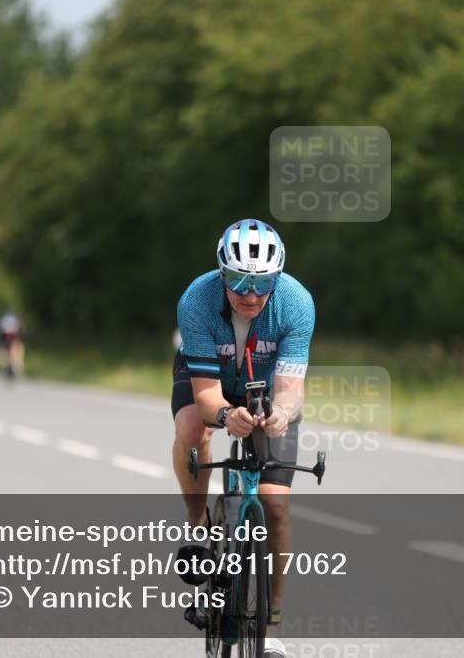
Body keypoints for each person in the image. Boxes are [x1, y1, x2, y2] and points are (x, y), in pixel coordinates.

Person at [172, 219, 314, 658]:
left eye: (262, 283)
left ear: (278, 277)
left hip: (267, 390)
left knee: (275, 503)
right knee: (193, 429)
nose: (250, 295)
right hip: (212, 382)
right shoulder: (196, 300)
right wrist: (223, 414)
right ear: (221, 273)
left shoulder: (295, 303)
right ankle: (198, 523)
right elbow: (206, 395)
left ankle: (271, 628)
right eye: (238, 281)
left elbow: (291, 390)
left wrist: (282, 415)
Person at [0, 311, 25, 378]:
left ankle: (13, 367)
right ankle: (10, 367)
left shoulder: (6, 321)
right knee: (4, 355)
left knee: (13, 354)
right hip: (6, 339)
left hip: (10, 339)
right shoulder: (13, 321)